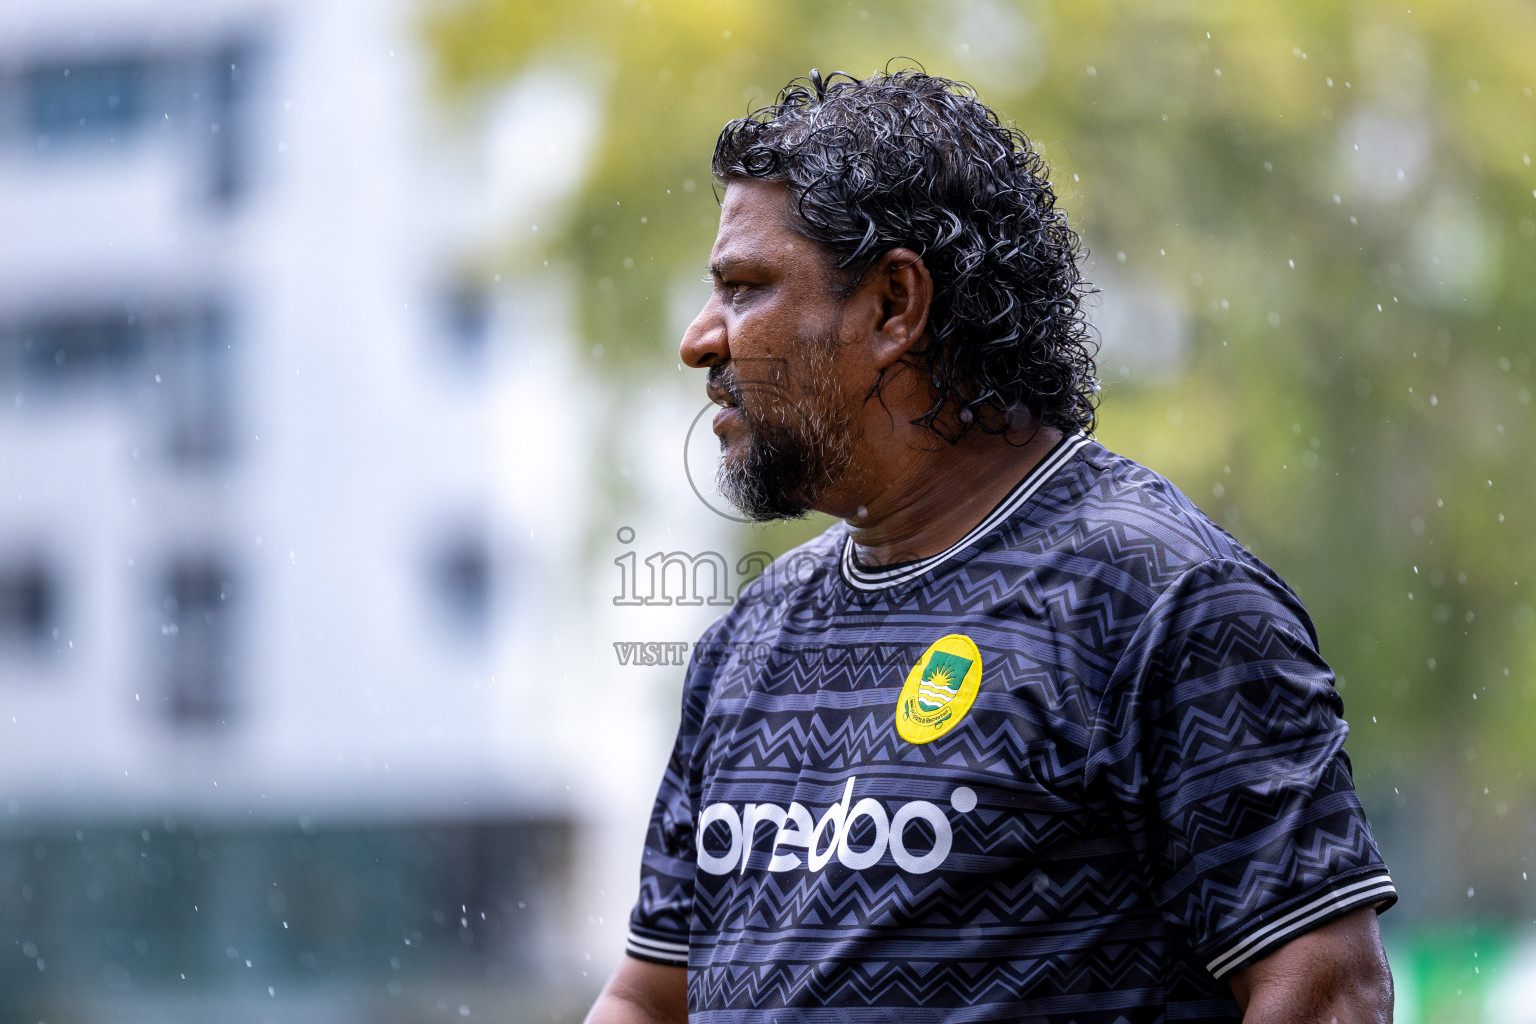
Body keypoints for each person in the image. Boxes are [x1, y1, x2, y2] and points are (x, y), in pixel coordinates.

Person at [589, 68, 1395, 1023]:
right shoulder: (750, 641)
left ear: (894, 305)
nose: (700, 340)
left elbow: (1325, 994)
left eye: (745, 288)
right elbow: (649, 999)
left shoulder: (1160, 600)